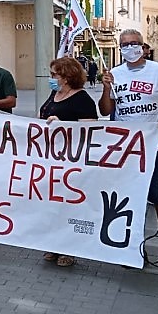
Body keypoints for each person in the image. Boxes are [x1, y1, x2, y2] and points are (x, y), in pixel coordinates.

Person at [98, 29, 158, 276]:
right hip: (127, 151)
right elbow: (105, 109)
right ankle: (134, 250)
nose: (129, 48)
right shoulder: (115, 75)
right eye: (125, 44)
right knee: (130, 201)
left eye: (134, 44)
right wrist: (105, 89)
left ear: (144, 47)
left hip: (157, 148)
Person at [39, 57, 98, 267]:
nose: (51, 78)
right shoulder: (54, 94)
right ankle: (53, 245)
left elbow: (90, 130)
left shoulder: (82, 99)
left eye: (54, 74)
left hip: (72, 162)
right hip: (50, 159)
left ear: (67, 76)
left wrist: (63, 124)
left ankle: (69, 248)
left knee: (69, 207)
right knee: (52, 205)